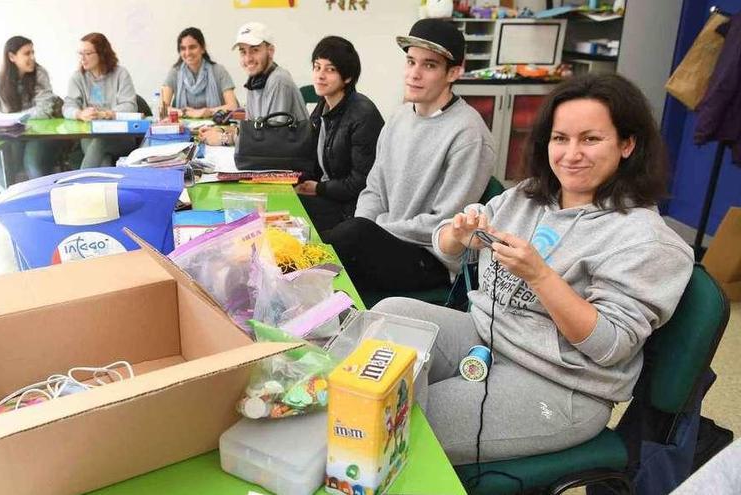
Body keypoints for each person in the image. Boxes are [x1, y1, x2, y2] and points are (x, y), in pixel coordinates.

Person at [372, 73, 695, 465]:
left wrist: (540, 276)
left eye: (590, 139)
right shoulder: (528, 196)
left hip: (559, 383)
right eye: (561, 139)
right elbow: (446, 246)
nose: (571, 154)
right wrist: (459, 236)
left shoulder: (647, 241)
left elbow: (610, 345)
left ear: (627, 144)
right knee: (390, 314)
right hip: (486, 334)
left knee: (394, 421)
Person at [324, 18, 495, 292]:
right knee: (327, 246)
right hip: (383, 239)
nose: (414, 74)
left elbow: (445, 224)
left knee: (341, 243)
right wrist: (367, 226)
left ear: (453, 73)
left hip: (430, 258)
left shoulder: (469, 134)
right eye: (411, 61)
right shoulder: (399, 117)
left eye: (429, 65)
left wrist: (374, 229)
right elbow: (374, 190)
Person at [294, 36, 384, 234]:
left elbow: (361, 183)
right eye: (317, 67)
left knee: (288, 217)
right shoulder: (323, 107)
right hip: (329, 196)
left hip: (351, 209)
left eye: (330, 69)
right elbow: (311, 159)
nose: (320, 75)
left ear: (348, 77)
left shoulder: (363, 114)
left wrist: (319, 188)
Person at [199, 22, 307, 147]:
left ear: (270, 51)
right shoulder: (254, 81)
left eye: (254, 50)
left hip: (290, 161)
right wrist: (222, 130)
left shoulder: (278, 81)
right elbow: (253, 128)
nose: (248, 59)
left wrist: (224, 138)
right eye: (243, 52)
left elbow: (272, 137)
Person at [0, 36, 61, 187]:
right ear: (11, 57)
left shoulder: (40, 74)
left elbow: (44, 111)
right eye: (27, 53)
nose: (32, 57)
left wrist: (14, 119)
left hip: (40, 135)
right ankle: (9, 203)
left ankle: (42, 204)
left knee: (33, 163)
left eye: (33, 52)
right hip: (12, 136)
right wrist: (2, 121)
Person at [63, 32, 138, 168]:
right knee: (103, 159)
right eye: (80, 54)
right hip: (90, 133)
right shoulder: (78, 77)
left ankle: (80, 185)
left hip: (121, 135)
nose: (82, 59)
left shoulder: (121, 74)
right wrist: (80, 114)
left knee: (100, 143)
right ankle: (104, 187)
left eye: (87, 54)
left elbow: (130, 106)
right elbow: (67, 107)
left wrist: (105, 114)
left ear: (102, 53)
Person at [162, 27, 238, 119]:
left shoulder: (219, 71)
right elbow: (163, 108)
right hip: (183, 127)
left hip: (216, 127)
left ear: (203, 48)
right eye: (183, 48)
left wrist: (208, 112)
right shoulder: (175, 72)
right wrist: (185, 113)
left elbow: (233, 106)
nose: (187, 52)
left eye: (192, 47)